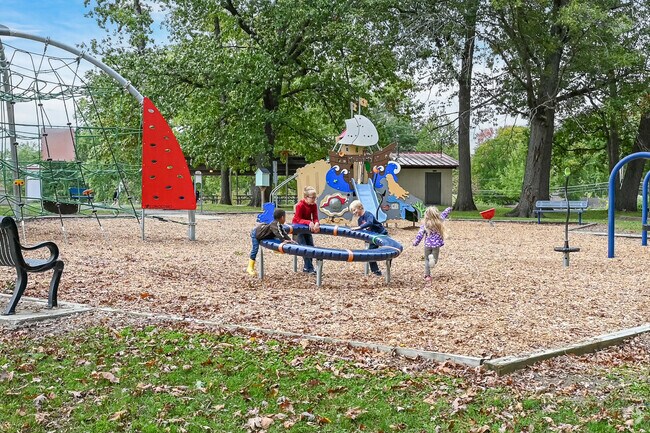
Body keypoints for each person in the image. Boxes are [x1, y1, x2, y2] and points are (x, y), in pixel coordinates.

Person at [247, 208, 296, 276]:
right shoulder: (274, 224)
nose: (285, 219)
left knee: (276, 237)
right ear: (282, 217)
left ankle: (275, 249)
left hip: (264, 234)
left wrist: (289, 240)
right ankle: (250, 267)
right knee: (255, 249)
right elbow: (278, 233)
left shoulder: (278, 224)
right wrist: (283, 240)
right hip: (256, 234)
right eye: (285, 217)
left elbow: (283, 232)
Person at [412, 206, 453, 283]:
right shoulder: (439, 221)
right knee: (434, 260)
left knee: (426, 260)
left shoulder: (425, 225)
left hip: (427, 245)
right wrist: (449, 209)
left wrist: (415, 243)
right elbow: (444, 214)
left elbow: (420, 235)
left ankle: (427, 276)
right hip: (436, 245)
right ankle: (433, 260)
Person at [349, 199, 386, 277]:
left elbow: (370, 223)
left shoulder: (368, 214)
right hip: (373, 237)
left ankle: (388, 266)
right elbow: (363, 231)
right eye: (352, 211)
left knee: (389, 249)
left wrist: (358, 227)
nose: (354, 212)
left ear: (360, 207)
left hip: (381, 233)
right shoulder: (360, 220)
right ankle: (376, 271)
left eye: (354, 210)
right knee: (370, 253)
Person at [292, 186, 320, 274]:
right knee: (304, 247)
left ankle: (306, 267)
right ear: (306, 197)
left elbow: (315, 217)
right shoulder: (300, 205)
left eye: (315, 198)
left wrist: (316, 223)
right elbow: (297, 219)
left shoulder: (314, 205)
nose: (314, 200)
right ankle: (310, 268)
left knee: (310, 246)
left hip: (307, 228)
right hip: (298, 228)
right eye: (312, 198)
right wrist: (308, 222)